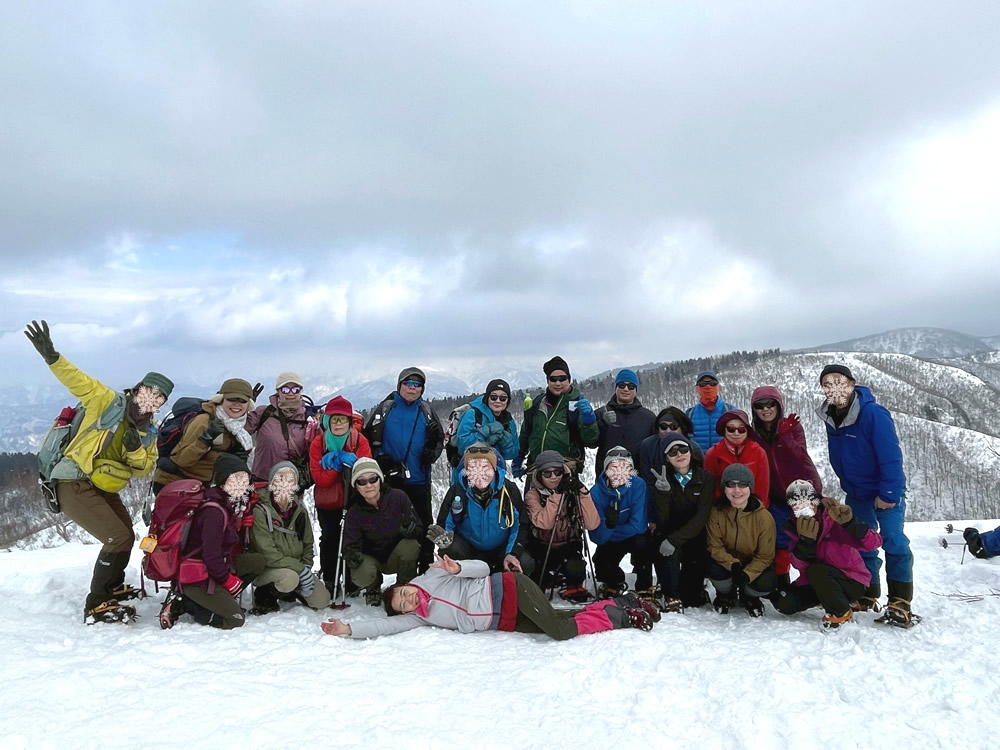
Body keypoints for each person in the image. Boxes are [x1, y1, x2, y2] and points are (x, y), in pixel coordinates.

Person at [24, 320, 170, 623]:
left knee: (126, 535)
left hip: (102, 486)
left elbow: (144, 468)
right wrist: (52, 356)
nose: (150, 401)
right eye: (148, 393)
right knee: (116, 537)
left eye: (158, 399)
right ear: (138, 390)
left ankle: (112, 587)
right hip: (72, 480)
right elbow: (78, 380)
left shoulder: (150, 432)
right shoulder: (107, 402)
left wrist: (134, 449)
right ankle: (96, 602)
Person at [320, 554, 658, 639]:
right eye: (403, 604)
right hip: (505, 619)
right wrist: (349, 630)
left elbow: (482, 567)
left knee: (559, 630)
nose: (409, 600)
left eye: (405, 593)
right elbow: (384, 628)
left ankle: (623, 618)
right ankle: (621, 605)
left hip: (508, 588)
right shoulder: (418, 617)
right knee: (562, 619)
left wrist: (457, 569)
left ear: (408, 584)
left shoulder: (432, 576)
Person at [816, 364, 916, 626]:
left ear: (852, 383)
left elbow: (891, 455)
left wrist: (890, 493)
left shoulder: (872, 414)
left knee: (893, 540)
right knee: (862, 542)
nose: (834, 388)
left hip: (884, 490)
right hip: (858, 493)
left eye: (839, 381)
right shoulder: (831, 417)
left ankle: (900, 600)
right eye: (828, 384)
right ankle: (868, 593)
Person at [158, 455, 266, 629]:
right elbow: (211, 555)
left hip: (214, 567)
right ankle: (184, 603)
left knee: (257, 562)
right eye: (235, 478)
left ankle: (219, 597)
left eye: (244, 478)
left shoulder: (228, 504)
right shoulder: (214, 512)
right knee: (235, 620)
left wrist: (238, 524)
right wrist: (228, 580)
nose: (241, 483)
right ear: (223, 481)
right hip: (197, 577)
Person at [774, 480, 883, 629]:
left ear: (816, 501)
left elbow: (874, 543)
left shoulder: (834, 518)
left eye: (808, 502)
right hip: (817, 581)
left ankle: (841, 612)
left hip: (851, 580)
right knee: (784, 603)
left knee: (817, 570)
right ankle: (828, 598)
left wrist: (851, 524)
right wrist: (806, 543)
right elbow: (798, 565)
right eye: (796, 505)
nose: (803, 508)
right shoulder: (793, 526)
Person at [365, 367, 444, 571]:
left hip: (419, 478)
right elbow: (369, 438)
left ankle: (426, 568)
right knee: (391, 526)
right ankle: (396, 570)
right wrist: (379, 460)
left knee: (424, 523)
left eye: (418, 385)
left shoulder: (426, 411)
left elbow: (438, 440)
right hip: (391, 480)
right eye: (408, 383)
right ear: (399, 385)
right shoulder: (386, 409)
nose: (413, 388)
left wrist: (431, 453)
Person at [750, 386, 823, 587]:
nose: (766, 409)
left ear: (779, 406)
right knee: (779, 541)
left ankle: (813, 583)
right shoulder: (754, 434)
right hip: (775, 496)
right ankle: (782, 582)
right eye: (760, 405)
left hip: (801, 493)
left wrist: (785, 435)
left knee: (807, 539)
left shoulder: (792, 428)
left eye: (770, 404)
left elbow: (801, 457)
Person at [247, 461, 330, 614]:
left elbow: (308, 544)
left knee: (322, 600)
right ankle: (265, 595)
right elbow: (268, 554)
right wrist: (300, 570)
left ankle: (290, 590)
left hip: (296, 569)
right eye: (280, 479)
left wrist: (306, 567)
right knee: (289, 579)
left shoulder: (300, 511)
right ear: (272, 484)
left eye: (291, 480)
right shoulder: (261, 511)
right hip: (269, 569)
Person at [518, 450, 600, 602]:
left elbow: (592, 523)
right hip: (541, 547)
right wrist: (558, 494)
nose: (554, 477)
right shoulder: (532, 495)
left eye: (558, 472)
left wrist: (582, 492)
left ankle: (564, 578)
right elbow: (545, 523)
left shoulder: (574, 492)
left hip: (569, 545)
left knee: (576, 569)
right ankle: (551, 578)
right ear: (539, 475)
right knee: (537, 581)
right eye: (547, 473)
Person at [430, 443, 524, 573]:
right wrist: (446, 544)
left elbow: (520, 526)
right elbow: (445, 523)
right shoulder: (458, 491)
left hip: (501, 551)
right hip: (468, 553)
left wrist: (512, 553)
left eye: (485, 467)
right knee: (451, 548)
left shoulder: (509, 491)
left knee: (524, 561)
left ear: (494, 469)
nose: (480, 473)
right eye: (473, 468)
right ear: (467, 472)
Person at [310, 396, 371, 594]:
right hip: (327, 503)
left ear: (350, 421)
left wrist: (349, 463)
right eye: (334, 419)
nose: (338, 424)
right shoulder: (318, 444)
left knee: (353, 540)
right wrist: (338, 465)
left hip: (353, 500)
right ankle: (331, 580)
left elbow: (366, 472)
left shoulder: (359, 441)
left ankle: (353, 582)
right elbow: (320, 479)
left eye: (343, 419)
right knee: (330, 539)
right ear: (327, 420)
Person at [342, 458, 423, 606]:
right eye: (362, 482)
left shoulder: (399, 497)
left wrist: (411, 530)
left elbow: (418, 528)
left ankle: (403, 586)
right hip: (372, 560)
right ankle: (373, 588)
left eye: (373, 479)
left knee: (411, 545)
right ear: (356, 486)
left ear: (380, 480)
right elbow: (349, 544)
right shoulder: (353, 512)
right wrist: (352, 555)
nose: (369, 485)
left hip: (395, 555)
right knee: (361, 573)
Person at [646, 435, 714, 612]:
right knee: (668, 553)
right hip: (668, 533)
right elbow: (662, 519)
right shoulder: (662, 479)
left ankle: (693, 589)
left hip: (694, 535)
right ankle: (669, 593)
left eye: (683, 449)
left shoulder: (706, 478)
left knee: (692, 598)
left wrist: (676, 540)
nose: (679, 454)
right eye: (673, 452)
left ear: (691, 452)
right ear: (666, 458)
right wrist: (663, 494)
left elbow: (702, 516)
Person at [152, 378, 257, 490]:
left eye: (242, 401)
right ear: (221, 400)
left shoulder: (236, 427)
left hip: (200, 486)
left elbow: (215, 455)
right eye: (232, 399)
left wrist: (234, 459)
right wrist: (204, 440)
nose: (237, 404)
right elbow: (181, 460)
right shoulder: (204, 421)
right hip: (174, 484)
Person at [706, 463, 776, 617]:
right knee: (712, 567)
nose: (737, 490)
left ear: (750, 488)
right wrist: (733, 565)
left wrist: (748, 573)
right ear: (724, 488)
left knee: (767, 581)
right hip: (727, 564)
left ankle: (749, 596)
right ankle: (725, 594)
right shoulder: (716, 512)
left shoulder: (764, 517)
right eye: (731, 484)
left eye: (742, 485)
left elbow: (765, 556)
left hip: (752, 564)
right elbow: (714, 547)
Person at [515, 356, 599, 480]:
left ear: (569, 380)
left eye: (562, 379)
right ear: (548, 381)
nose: (558, 383)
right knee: (531, 500)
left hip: (564, 473)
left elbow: (591, 442)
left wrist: (589, 422)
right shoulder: (538, 403)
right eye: (553, 379)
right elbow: (526, 432)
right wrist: (519, 456)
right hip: (536, 471)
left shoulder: (577, 405)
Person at [589, 447, 651, 598]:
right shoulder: (595, 493)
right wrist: (608, 527)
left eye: (625, 467)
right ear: (606, 469)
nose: (619, 472)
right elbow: (596, 537)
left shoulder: (638, 485)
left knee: (644, 543)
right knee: (601, 566)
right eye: (614, 467)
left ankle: (644, 586)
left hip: (632, 536)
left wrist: (610, 528)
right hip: (610, 538)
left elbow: (639, 525)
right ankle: (615, 581)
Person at [246, 371, 314, 487]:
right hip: (262, 482)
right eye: (285, 389)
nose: (290, 393)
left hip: (293, 485)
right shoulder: (264, 413)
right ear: (278, 391)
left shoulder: (308, 419)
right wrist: (241, 405)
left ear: (301, 392)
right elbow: (239, 429)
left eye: (296, 389)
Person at [452, 378, 519, 484]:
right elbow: (462, 445)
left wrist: (506, 443)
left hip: (495, 474)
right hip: (468, 473)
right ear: (487, 397)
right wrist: (483, 434)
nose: (498, 401)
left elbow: (512, 453)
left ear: (508, 401)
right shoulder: (472, 414)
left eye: (503, 398)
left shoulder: (508, 421)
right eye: (493, 397)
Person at [594, 369, 656, 474]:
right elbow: (590, 442)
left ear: (636, 390)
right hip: (607, 478)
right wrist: (601, 424)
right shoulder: (601, 413)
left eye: (631, 386)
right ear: (615, 388)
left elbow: (655, 448)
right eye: (621, 385)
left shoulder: (648, 417)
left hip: (638, 478)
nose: (626, 389)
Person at [704, 409, 770, 506]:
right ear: (724, 430)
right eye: (731, 429)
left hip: (752, 508)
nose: (736, 433)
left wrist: (757, 507)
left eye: (741, 429)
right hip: (723, 509)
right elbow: (710, 487)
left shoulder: (759, 453)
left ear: (747, 430)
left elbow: (762, 487)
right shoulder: (713, 454)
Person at [638, 406, 703, 487]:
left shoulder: (693, 448)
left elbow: (700, 480)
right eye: (663, 426)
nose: (668, 431)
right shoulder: (648, 446)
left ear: (683, 428)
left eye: (674, 427)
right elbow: (647, 480)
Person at [686, 371, 738, 453]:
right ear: (697, 388)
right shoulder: (690, 414)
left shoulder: (730, 410)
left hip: (724, 462)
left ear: (718, 386)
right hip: (699, 463)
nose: (708, 386)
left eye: (712, 383)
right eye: (703, 384)